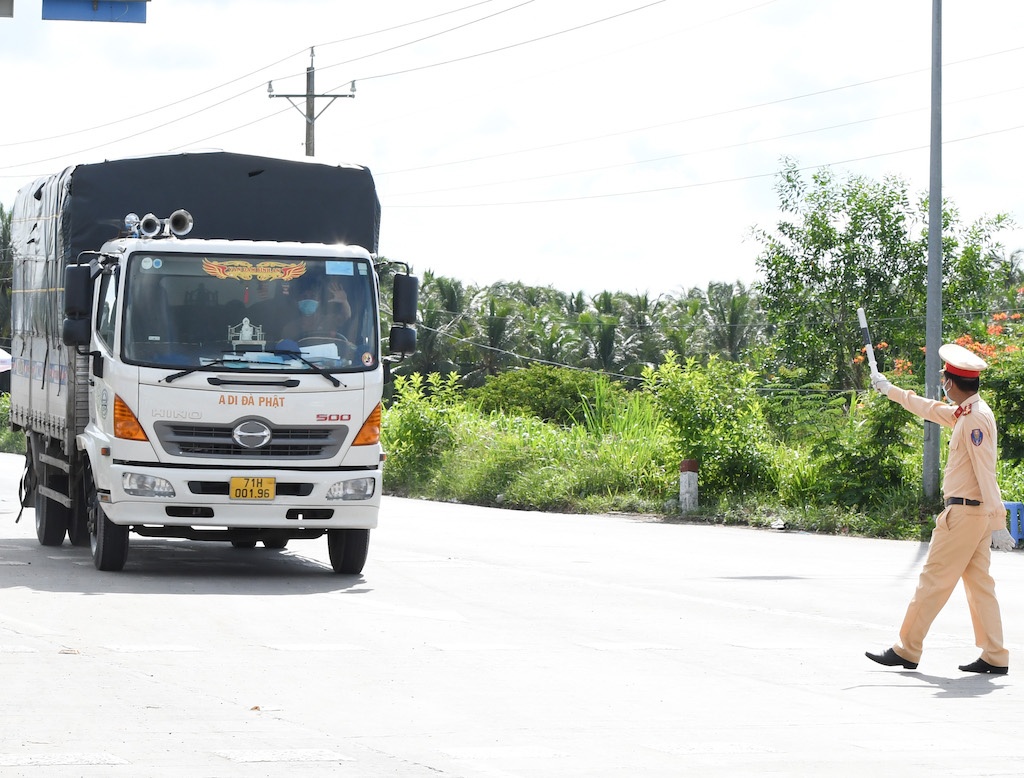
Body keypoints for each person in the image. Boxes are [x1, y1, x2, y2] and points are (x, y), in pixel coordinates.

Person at [866, 343, 1015, 675]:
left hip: (964, 516)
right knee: (980, 586)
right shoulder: (971, 412)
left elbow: (984, 472)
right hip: (973, 516)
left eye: (944, 379)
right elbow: (930, 408)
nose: (943, 384)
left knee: (932, 581)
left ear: (950, 383)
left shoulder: (973, 419)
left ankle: (907, 648)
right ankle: (994, 654)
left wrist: (998, 520)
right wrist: (890, 390)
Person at [280, 273, 352, 342]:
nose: (308, 299)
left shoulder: (328, 321)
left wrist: (344, 301)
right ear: (297, 301)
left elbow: (346, 316)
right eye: (304, 297)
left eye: (312, 296)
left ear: (319, 300)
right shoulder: (289, 329)